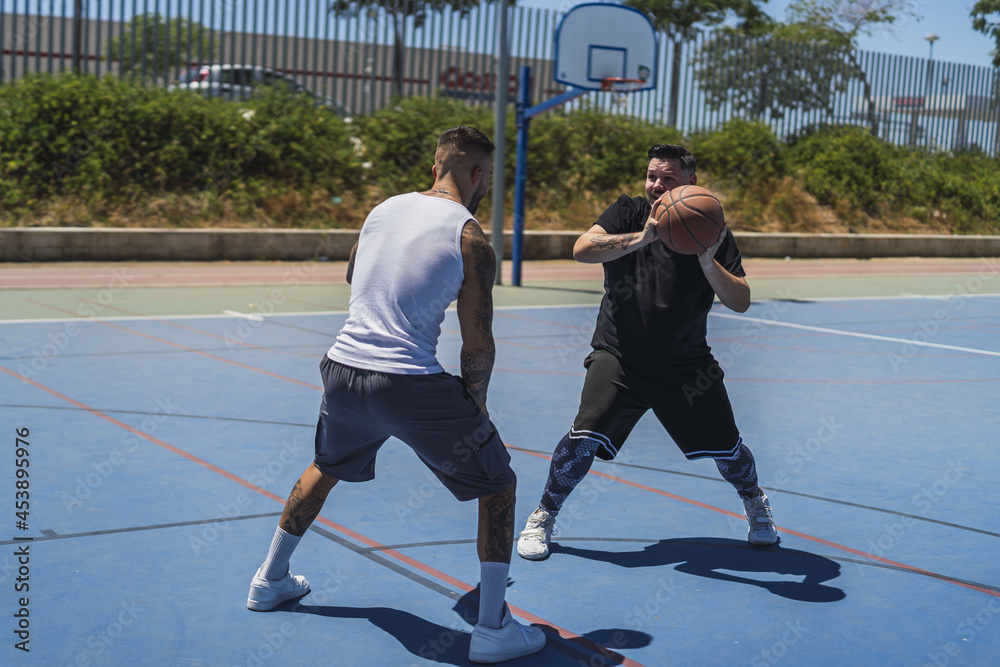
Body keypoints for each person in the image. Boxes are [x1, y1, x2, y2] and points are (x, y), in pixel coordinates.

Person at [247, 125, 545, 664]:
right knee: (498, 482)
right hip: (407, 383)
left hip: (341, 367)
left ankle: (269, 580)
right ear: (478, 175)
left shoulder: (382, 208)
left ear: (435, 166)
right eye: (488, 178)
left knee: (326, 465)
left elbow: (352, 274)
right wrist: (473, 406)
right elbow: (478, 344)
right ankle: (495, 627)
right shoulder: (471, 237)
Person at [516, 144, 778, 561]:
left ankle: (755, 503)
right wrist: (644, 237)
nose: (657, 185)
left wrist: (709, 262)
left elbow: (741, 300)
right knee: (583, 438)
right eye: (652, 175)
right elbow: (583, 249)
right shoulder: (628, 212)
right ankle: (544, 514)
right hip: (620, 355)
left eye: (668, 178)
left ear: (691, 183)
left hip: (687, 364)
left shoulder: (710, 226)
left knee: (728, 449)